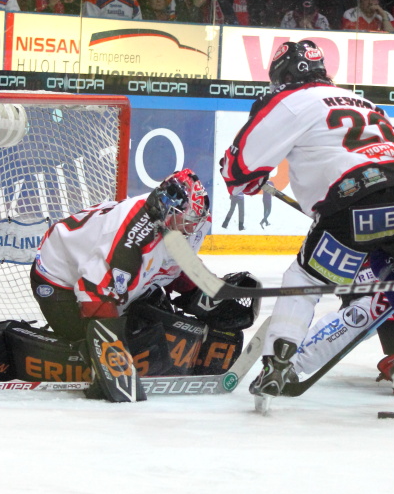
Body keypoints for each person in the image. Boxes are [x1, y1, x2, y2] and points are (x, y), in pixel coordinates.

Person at [220, 40, 394, 408]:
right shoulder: (359, 99)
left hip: (359, 197)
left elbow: (240, 170)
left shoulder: (289, 100)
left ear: (282, 77)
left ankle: (278, 364)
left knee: (304, 279)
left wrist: (240, 178)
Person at [29, 169, 257, 399]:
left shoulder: (166, 218)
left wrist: (207, 292)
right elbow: (96, 297)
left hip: (104, 273)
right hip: (58, 279)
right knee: (107, 345)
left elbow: (173, 264)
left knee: (159, 325)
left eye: (193, 222)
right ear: (169, 208)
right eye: (187, 221)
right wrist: (112, 357)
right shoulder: (128, 242)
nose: (191, 229)